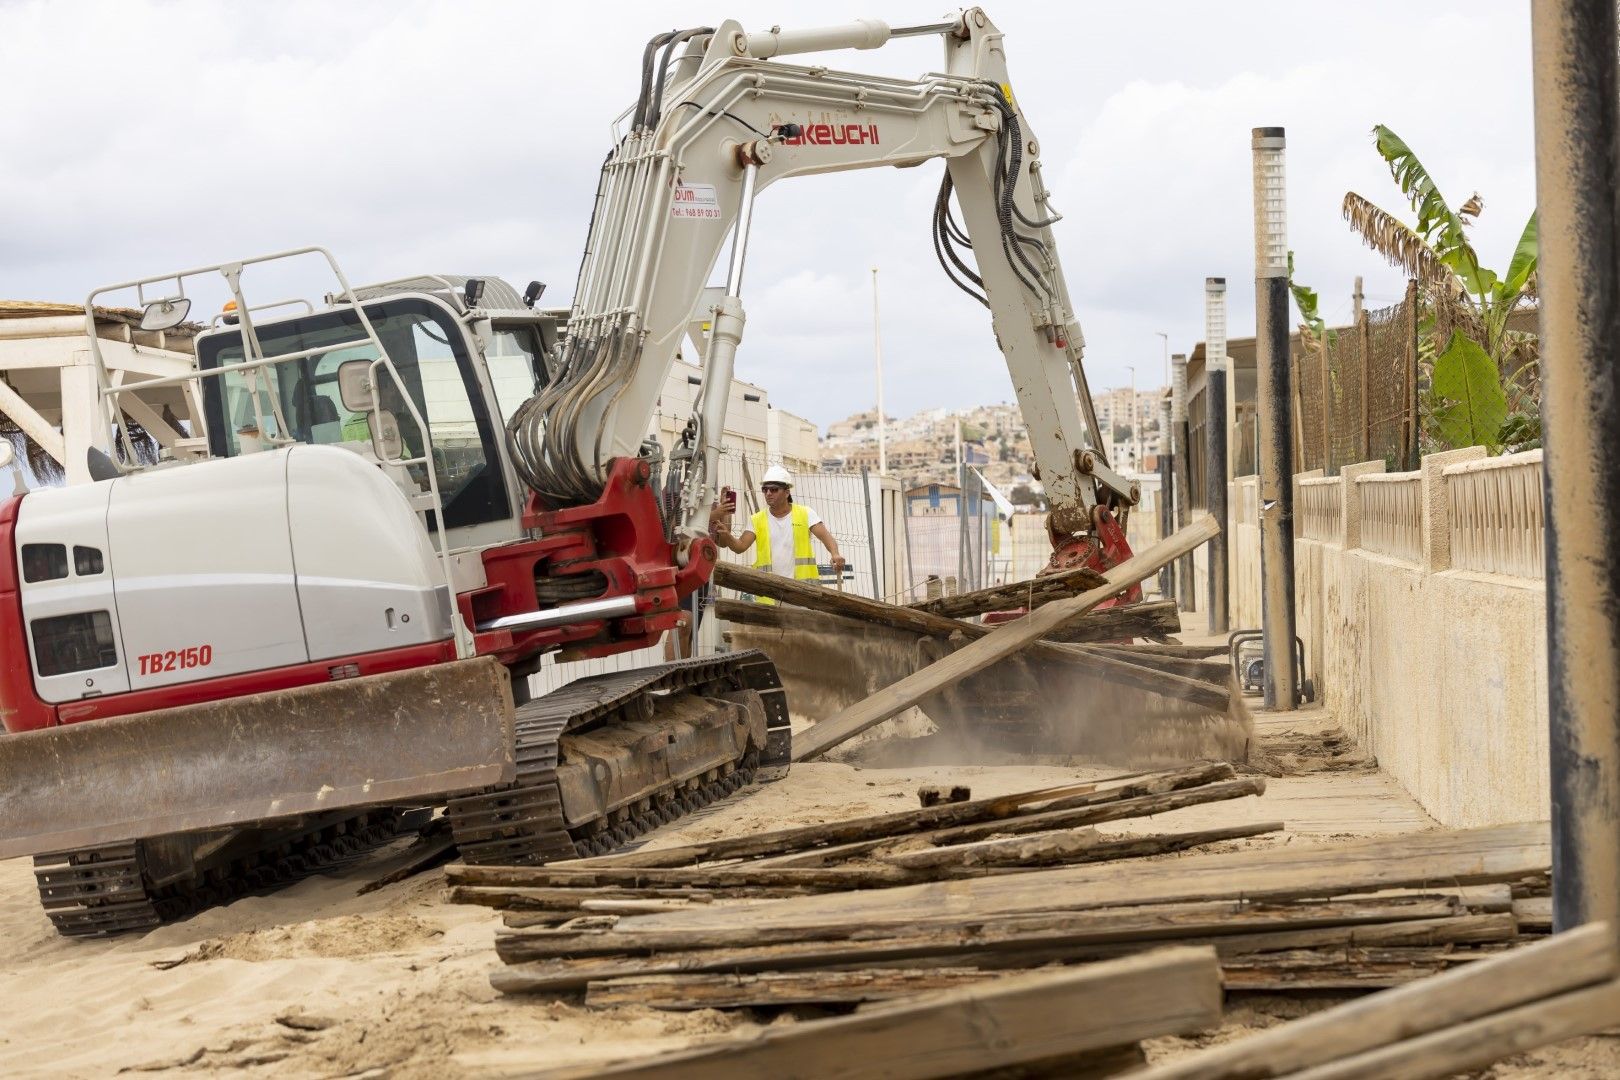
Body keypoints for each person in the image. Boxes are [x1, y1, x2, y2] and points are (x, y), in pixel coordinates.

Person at [713, 465, 845, 604]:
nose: (768, 493)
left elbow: (826, 537)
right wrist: (726, 535)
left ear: (787, 492)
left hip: (802, 593)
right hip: (770, 594)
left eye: (774, 489)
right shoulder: (757, 519)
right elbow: (740, 547)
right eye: (765, 489)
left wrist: (835, 553)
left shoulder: (805, 514)